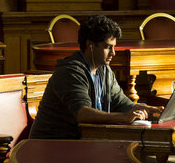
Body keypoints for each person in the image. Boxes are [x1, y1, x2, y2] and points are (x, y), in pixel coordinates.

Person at [29, 14, 161, 140]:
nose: (113, 53)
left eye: (114, 47)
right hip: (52, 145)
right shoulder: (70, 72)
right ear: (89, 45)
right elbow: (83, 114)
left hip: (82, 142)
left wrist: (146, 109)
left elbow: (121, 103)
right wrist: (124, 117)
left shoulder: (105, 70)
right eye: (108, 47)